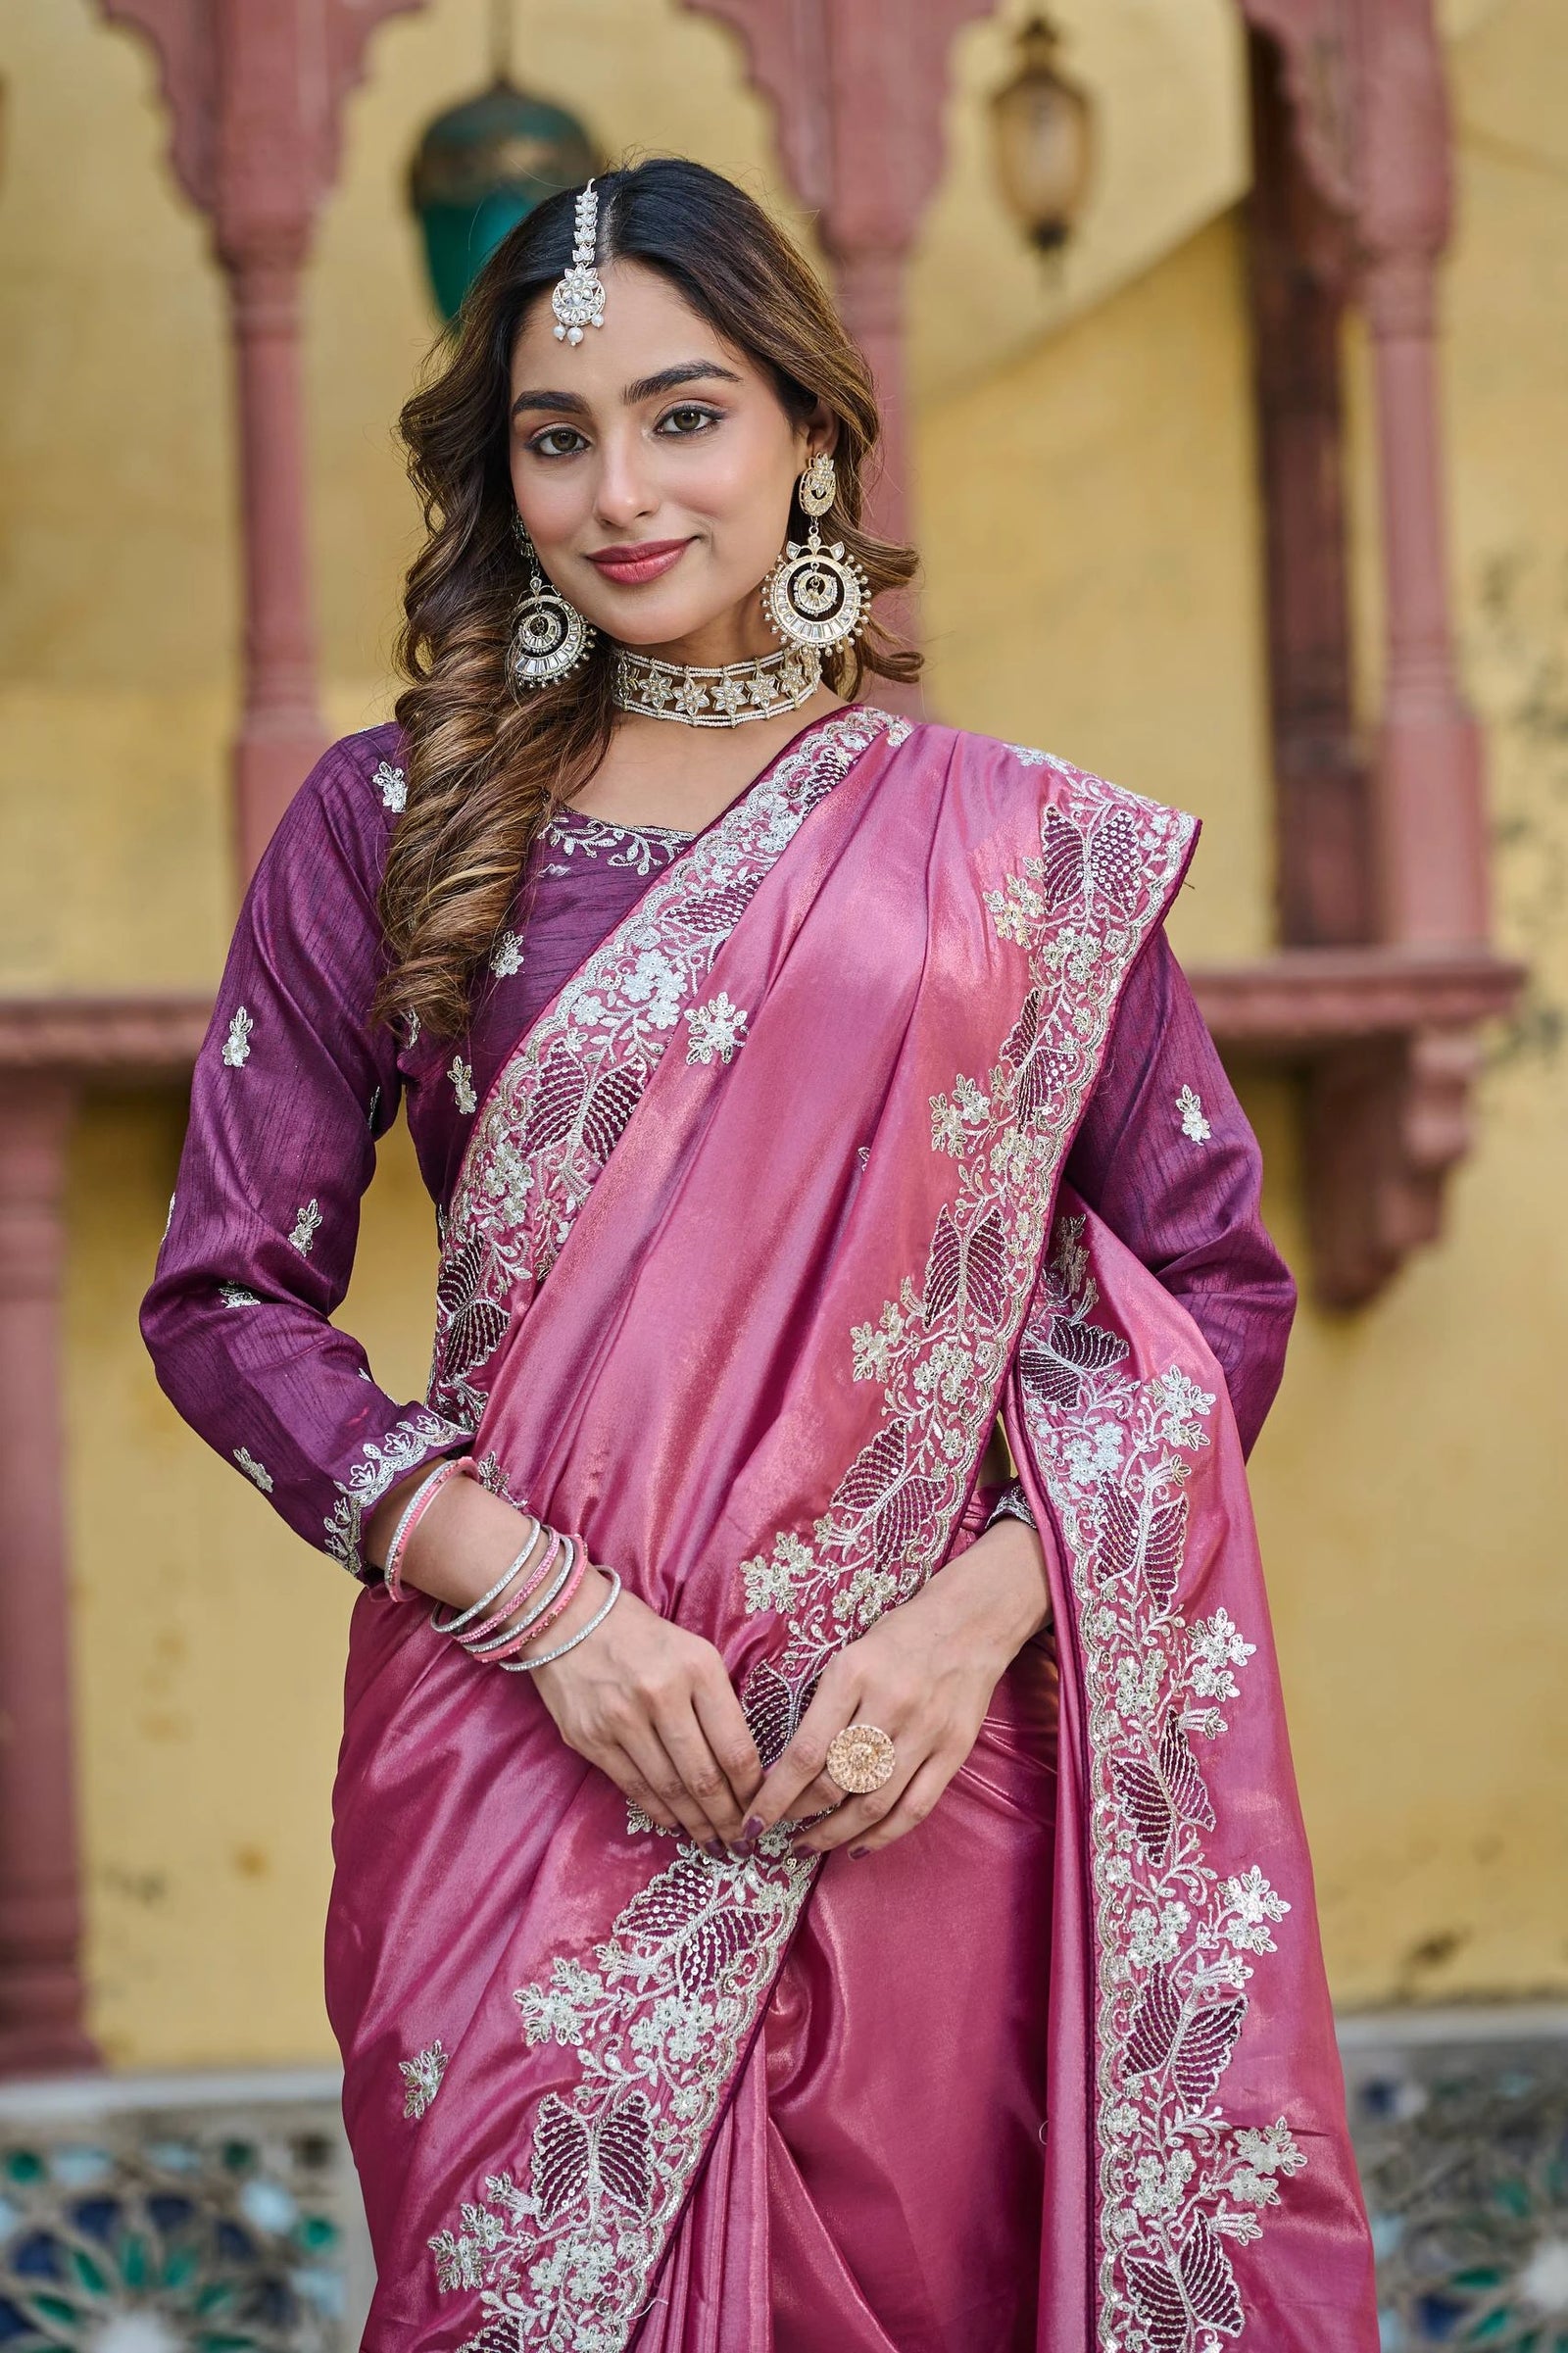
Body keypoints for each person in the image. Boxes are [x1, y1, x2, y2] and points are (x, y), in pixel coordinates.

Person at [141, 160, 1377, 2353]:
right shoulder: (391, 819)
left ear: (806, 430)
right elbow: (230, 1297)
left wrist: (972, 1624)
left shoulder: (1013, 848)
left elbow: (1218, 1297)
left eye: (683, 414)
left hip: (917, 1786)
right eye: (555, 432)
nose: (618, 489)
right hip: (527, 1765)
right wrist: (552, 1615)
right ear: (498, 467)